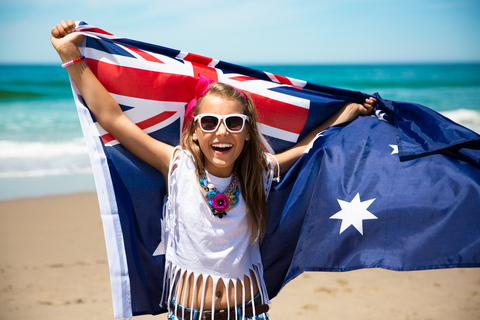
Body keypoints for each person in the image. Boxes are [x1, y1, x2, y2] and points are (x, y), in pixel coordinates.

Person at [51, 20, 376, 320]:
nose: (222, 132)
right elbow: (113, 119)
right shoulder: (178, 166)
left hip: (250, 312)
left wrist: (350, 111)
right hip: (186, 314)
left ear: (248, 133)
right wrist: (71, 58)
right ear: (194, 130)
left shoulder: (258, 171)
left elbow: (309, 146)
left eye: (234, 123)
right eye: (210, 122)